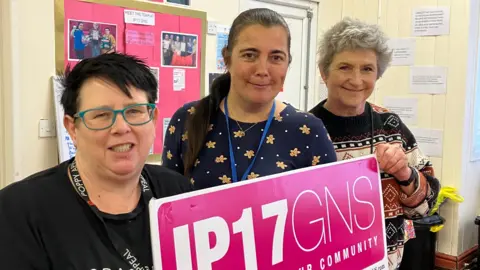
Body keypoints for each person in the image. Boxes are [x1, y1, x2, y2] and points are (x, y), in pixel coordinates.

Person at [0, 53, 192, 269]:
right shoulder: (21, 209)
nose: (121, 127)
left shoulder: (176, 191)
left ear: (153, 119)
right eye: (101, 115)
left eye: (134, 111)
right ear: (72, 128)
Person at [309, 17, 441, 270]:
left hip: (387, 264)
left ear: (378, 73)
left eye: (367, 69)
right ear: (324, 72)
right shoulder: (304, 131)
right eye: (345, 67)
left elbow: (426, 207)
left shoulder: (390, 125)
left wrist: (404, 173)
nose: (356, 80)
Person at [162, 8, 337, 189]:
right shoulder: (188, 119)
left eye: (276, 57)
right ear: (227, 59)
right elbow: (166, 204)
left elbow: (329, 208)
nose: (262, 70)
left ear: (287, 64)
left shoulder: (307, 131)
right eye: (249, 55)